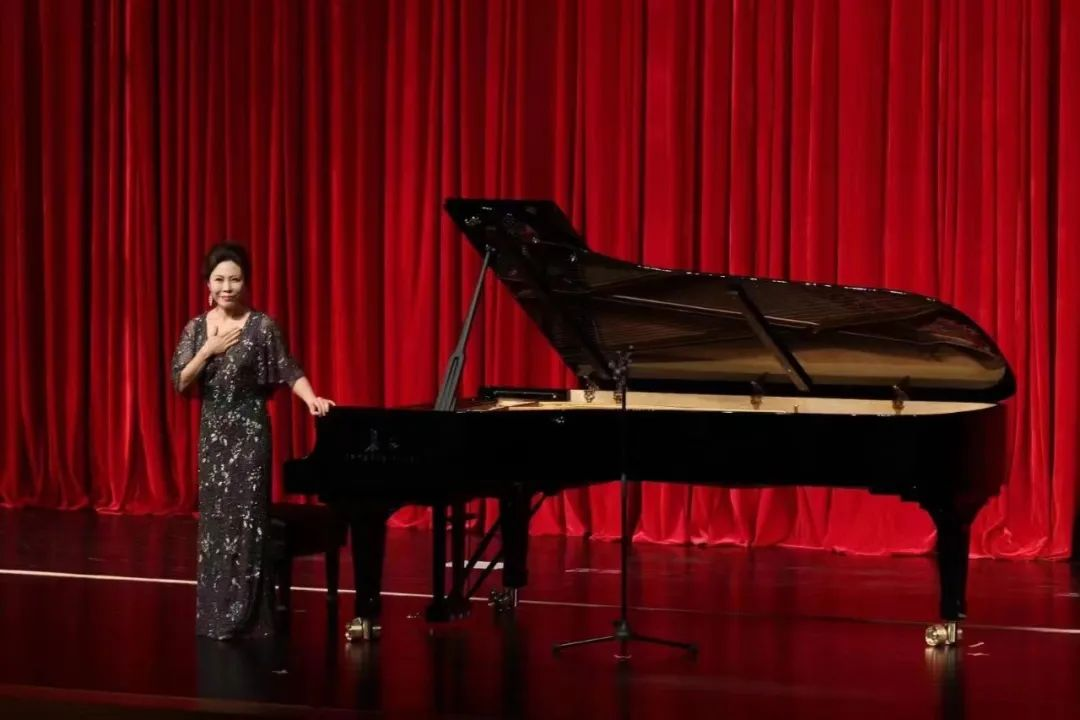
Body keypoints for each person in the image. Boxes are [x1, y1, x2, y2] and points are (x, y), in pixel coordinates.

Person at [171, 242, 334, 640]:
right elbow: (180, 381)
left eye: (235, 279)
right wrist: (208, 350)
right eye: (219, 280)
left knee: (248, 523)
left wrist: (312, 398)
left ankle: (248, 617)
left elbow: (288, 368)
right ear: (208, 284)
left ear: (245, 282)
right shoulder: (196, 329)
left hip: (250, 434)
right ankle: (216, 614)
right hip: (214, 437)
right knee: (216, 523)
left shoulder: (262, 326)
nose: (227, 287)